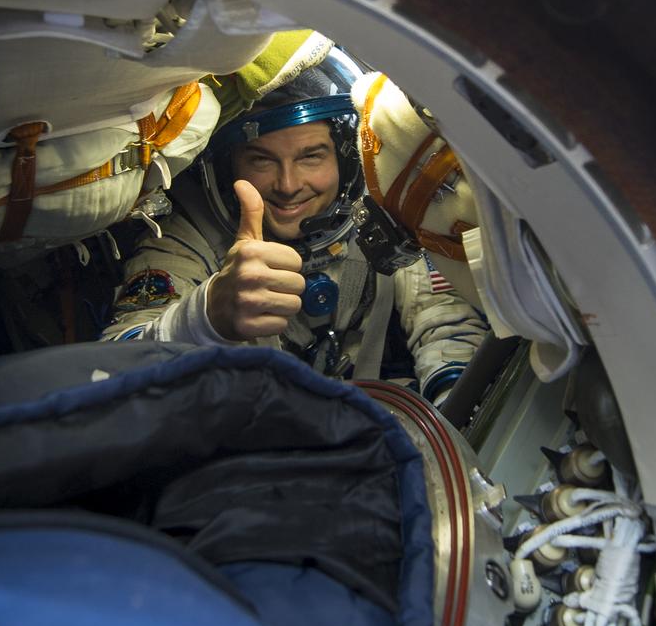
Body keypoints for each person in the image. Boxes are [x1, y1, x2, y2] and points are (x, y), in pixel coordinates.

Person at [101, 52, 487, 401]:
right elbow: (108, 372)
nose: (288, 185)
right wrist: (203, 317)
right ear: (227, 166)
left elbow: (443, 324)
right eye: (261, 160)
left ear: (344, 155)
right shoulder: (191, 237)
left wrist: (449, 405)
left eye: (311, 156)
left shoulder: (381, 215)